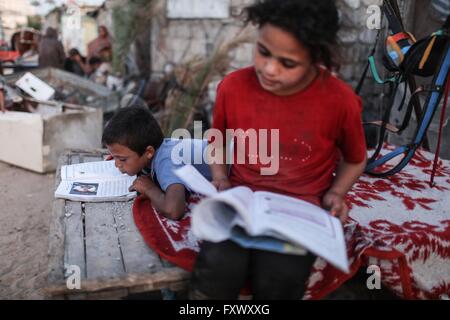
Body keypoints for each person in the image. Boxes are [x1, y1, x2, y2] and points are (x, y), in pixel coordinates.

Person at [189, 0, 367, 300]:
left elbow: (355, 159)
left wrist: (337, 193)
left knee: (279, 276)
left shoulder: (339, 100)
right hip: (243, 204)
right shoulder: (233, 87)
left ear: (316, 58)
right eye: (263, 52)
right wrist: (219, 176)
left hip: (301, 211)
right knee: (218, 266)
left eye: (288, 63)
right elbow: (217, 138)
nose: (269, 69)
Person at [102, 106, 212, 220]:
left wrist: (149, 189)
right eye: (114, 157)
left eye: (122, 159)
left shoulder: (167, 160)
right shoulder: (161, 149)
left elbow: (174, 210)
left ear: (149, 152)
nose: (117, 164)